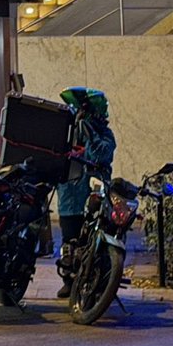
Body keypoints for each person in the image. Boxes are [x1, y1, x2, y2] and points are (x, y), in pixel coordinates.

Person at [55, 86, 116, 298]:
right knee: (69, 241)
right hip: (69, 197)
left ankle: (95, 282)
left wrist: (89, 133)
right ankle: (69, 280)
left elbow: (101, 155)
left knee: (93, 242)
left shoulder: (105, 134)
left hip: (93, 199)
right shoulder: (69, 133)